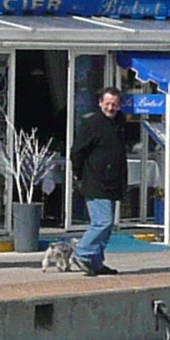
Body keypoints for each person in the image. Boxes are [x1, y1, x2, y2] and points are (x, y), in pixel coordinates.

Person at [71, 81, 138, 276]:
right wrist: (78, 173)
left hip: (113, 181)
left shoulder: (119, 122)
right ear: (100, 103)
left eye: (114, 104)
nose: (111, 107)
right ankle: (82, 252)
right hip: (95, 180)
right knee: (103, 222)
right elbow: (77, 151)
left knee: (108, 227)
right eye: (107, 103)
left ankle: (96, 262)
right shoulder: (92, 123)